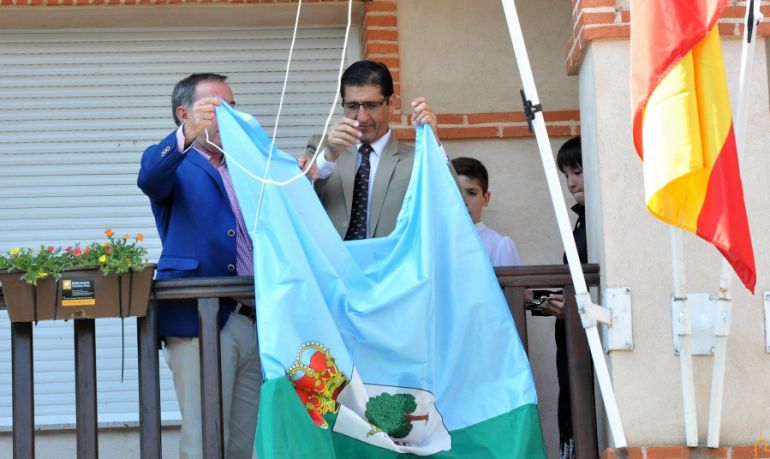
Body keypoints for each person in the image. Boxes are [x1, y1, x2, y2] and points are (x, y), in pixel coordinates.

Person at [137, 73, 261, 459]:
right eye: (214, 109)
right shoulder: (175, 162)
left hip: (254, 316)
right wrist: (188, 134)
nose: (228, 117)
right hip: (200, 318)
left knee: (244, 443)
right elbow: (149, 177)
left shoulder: (249, 165)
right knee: (205, 441)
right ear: (184, 114)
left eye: (233, 108)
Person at [304, 60, 440, 240]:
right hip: (334, 266)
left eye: (371, 105)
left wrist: (434, 143)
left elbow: (452, 204)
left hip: (392, 265)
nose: (361, 117)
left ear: (391, 103)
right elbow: (296, 201)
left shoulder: (417, 158)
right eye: (352, 106)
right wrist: (329, 156)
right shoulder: (321, 148)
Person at [538, 136, 586, 459]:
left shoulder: (598, 221)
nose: (570, 183)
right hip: (571, 345)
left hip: (589, 349)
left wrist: (575, 306)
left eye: (577, 171)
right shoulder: (582, 220)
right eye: (565, 174)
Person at [451, 156, 521, 267]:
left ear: (486, 198)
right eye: (455, 193)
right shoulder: (433, 243)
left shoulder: (498, 246)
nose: (463, 201)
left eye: (472, 193)